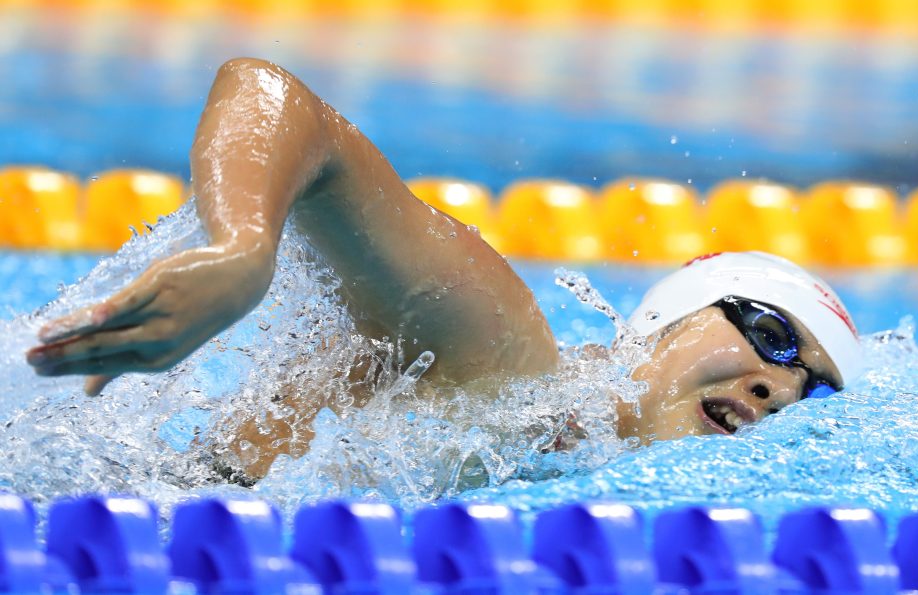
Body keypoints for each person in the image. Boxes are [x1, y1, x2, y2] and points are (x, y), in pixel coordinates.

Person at [24, 58, 862, 482]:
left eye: (814, 390)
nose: (780, 388)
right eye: (768, 334)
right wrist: (244, 248)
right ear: (670, 319)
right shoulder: (507, 358)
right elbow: (277, 99)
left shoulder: (564, 456)